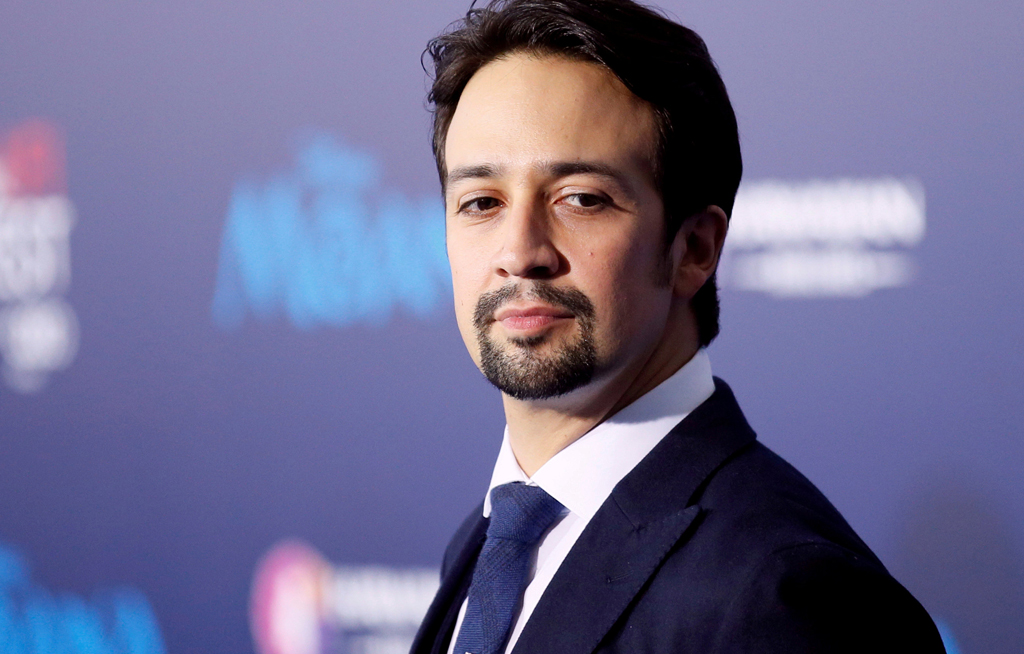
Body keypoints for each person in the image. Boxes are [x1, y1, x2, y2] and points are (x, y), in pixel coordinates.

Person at [411, 1, 945, 652]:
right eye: (480, 203)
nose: (520, 251)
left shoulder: (788, 593)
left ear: (694, 248)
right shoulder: (490, 541)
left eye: (581, 198)